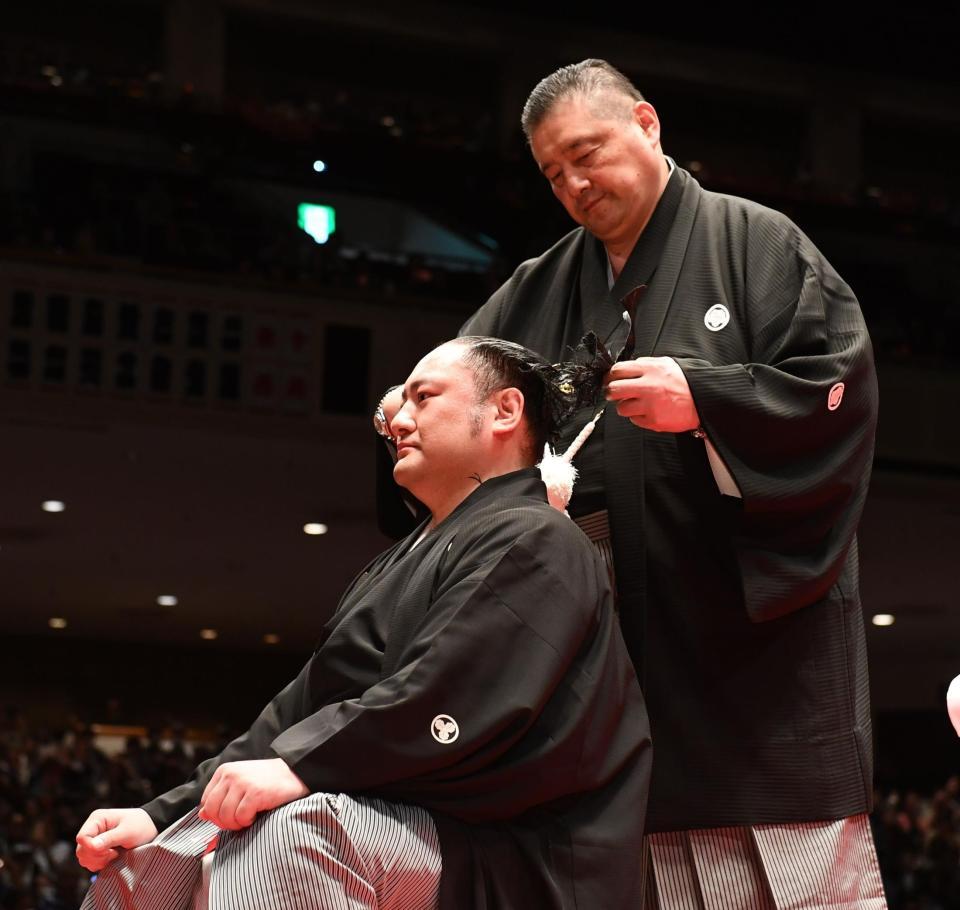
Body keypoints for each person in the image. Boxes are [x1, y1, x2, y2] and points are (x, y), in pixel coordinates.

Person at [456, 60, 884, 908]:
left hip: (746, 665)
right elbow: (462, 406)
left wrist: (711, 401)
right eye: (553, 172)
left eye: (589, 152)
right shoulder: (537, 290)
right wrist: (421, 410)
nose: (576, 183)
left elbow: (838, 394)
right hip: (602, 664)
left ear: (647, 126)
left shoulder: (756, 243)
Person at [75, 337, 651, 910]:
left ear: (504, 410)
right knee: (142, 870)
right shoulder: (403, 557)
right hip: (416, 819)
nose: (396, 418)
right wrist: (160, 814)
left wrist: (302, 767)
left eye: (423, 397)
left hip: (512, 854)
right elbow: (298, 709)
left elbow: (448, 696)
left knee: (298, 833)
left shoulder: (539, 537)